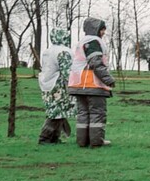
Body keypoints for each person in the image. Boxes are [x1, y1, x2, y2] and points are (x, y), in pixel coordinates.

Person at [67, 17, 115, 148]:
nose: (103, 32)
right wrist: (108, 79)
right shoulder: (93, 42)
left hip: (78, 84)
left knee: (83, 114)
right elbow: (95, 62)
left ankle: (82, 141)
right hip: (92, 84)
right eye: (102, 29)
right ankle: (96, 141)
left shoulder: (82, 41)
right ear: (96, 29)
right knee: (97, 113)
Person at [38, 28, 76, 145]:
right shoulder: (64, 52)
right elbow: (67, 72)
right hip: (59, 86)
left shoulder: (47, 51)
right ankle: (45, 137)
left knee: (57, 112)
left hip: (47, 84)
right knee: (56, 113)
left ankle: (54, 138)